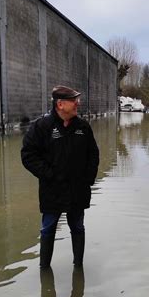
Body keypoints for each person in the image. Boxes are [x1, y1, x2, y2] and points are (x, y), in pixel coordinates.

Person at [21, 85, 99, 268]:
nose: (78, 103)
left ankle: (78, 267)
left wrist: (88, 179)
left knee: (78, 227)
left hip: (77, 190)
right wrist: (50, 175)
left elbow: (93, 155)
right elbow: (28, 156)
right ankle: (44, 270)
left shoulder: (83, 127)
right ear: (60, 104)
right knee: (48, 228)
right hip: (52, 190)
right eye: (74, 100)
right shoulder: (42, 127)